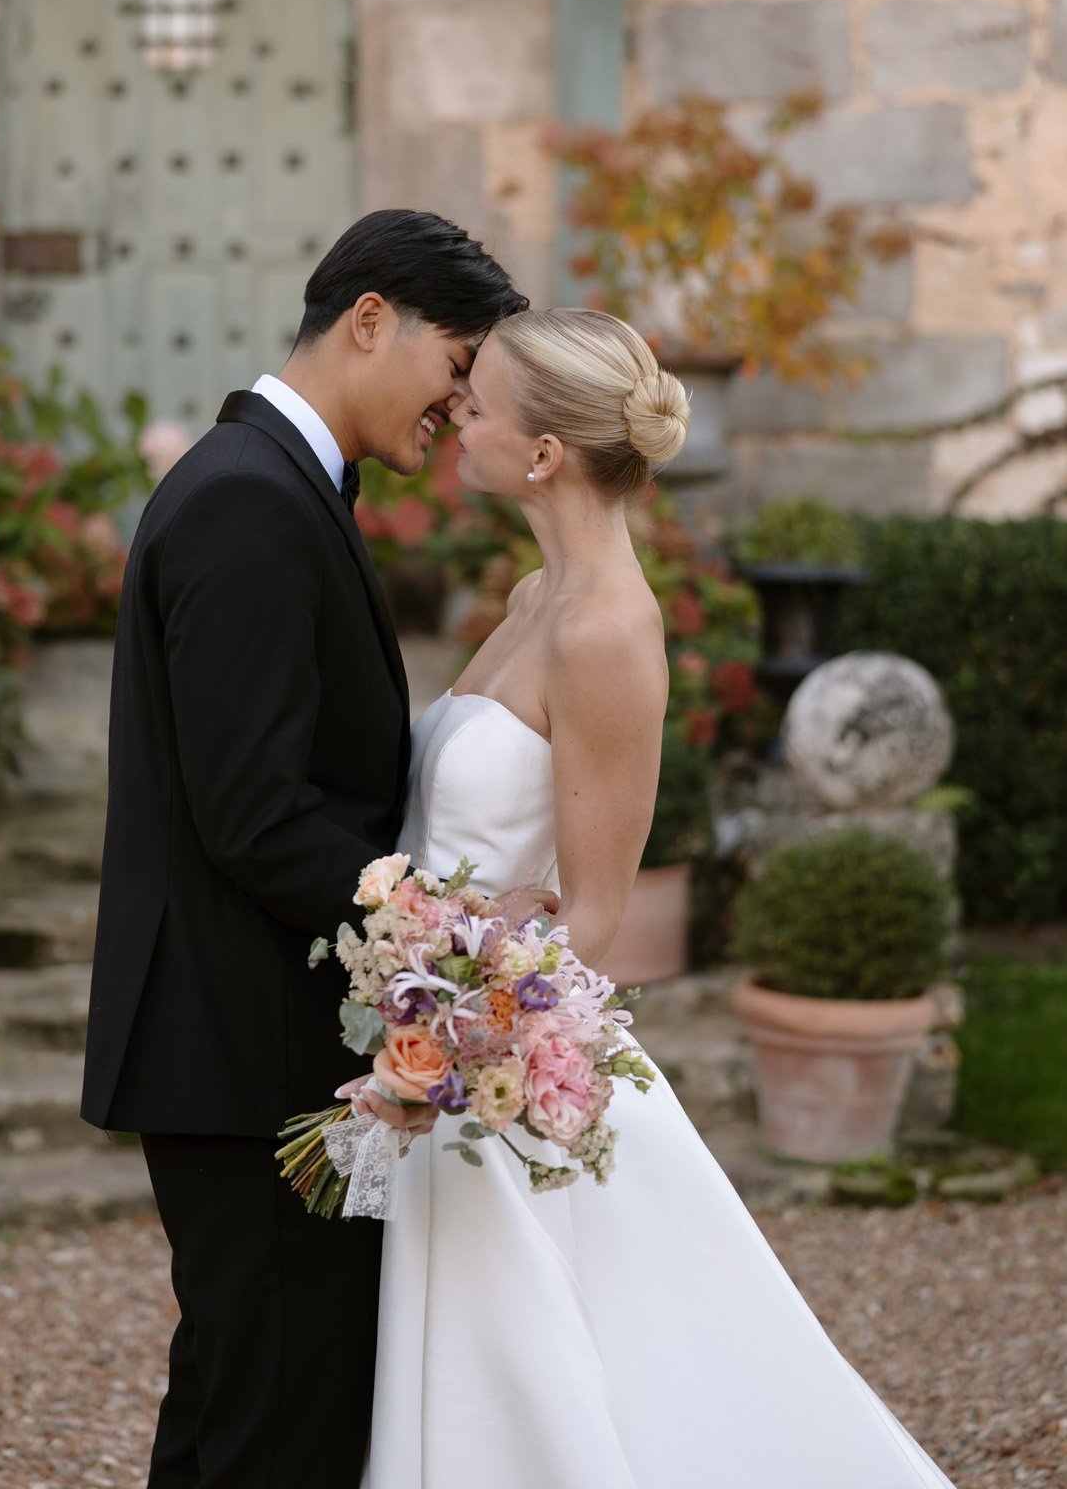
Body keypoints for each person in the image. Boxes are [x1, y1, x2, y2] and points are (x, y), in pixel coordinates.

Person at [363, 307, 957, 1489]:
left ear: (541, 453)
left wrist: (450, 1051)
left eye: (477, 403)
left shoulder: (604, 631)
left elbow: (592, 915)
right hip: (447, 1020)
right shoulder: (537, 595)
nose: (456, 414)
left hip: (499, 1068)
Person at [81, 209, 544, 1489]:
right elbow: (252, 809)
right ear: (370, 317)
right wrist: (436, 946)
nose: (459, 407)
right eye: (456, 366)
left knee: (262, 1394)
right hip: (247, 1044)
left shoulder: (274, 486)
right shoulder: (244, 501)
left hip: (263, 1037)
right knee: (272, 1414)